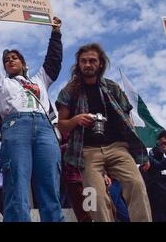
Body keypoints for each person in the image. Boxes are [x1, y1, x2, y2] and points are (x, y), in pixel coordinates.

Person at [0, 10, 64, 222]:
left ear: (24, 64)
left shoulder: (39, 79)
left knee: (49, 186)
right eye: (7, 59)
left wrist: (56, 33)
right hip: (16, 128)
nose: (10, 61)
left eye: (15, 58)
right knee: (16, 185)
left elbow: (53, 61)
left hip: (45, 129)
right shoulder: (1, 82)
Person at [56, 43, 152, 222]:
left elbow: (128, 119)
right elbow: (62, 125)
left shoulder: (112, 87)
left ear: (100, 64)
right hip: (87, 151)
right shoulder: (69, 91)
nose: (88, 64)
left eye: (92, 60)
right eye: (83, 61)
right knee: (94, 197)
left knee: (137, 184)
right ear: (78, 64)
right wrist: (76, 120)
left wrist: (140, 153)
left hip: (118, 147)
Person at [144, 131, 166, 222]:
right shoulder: (153, 153)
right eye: (160, 143)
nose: (163, 146)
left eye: (165, 143)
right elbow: (158, 166)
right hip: (155, 199)